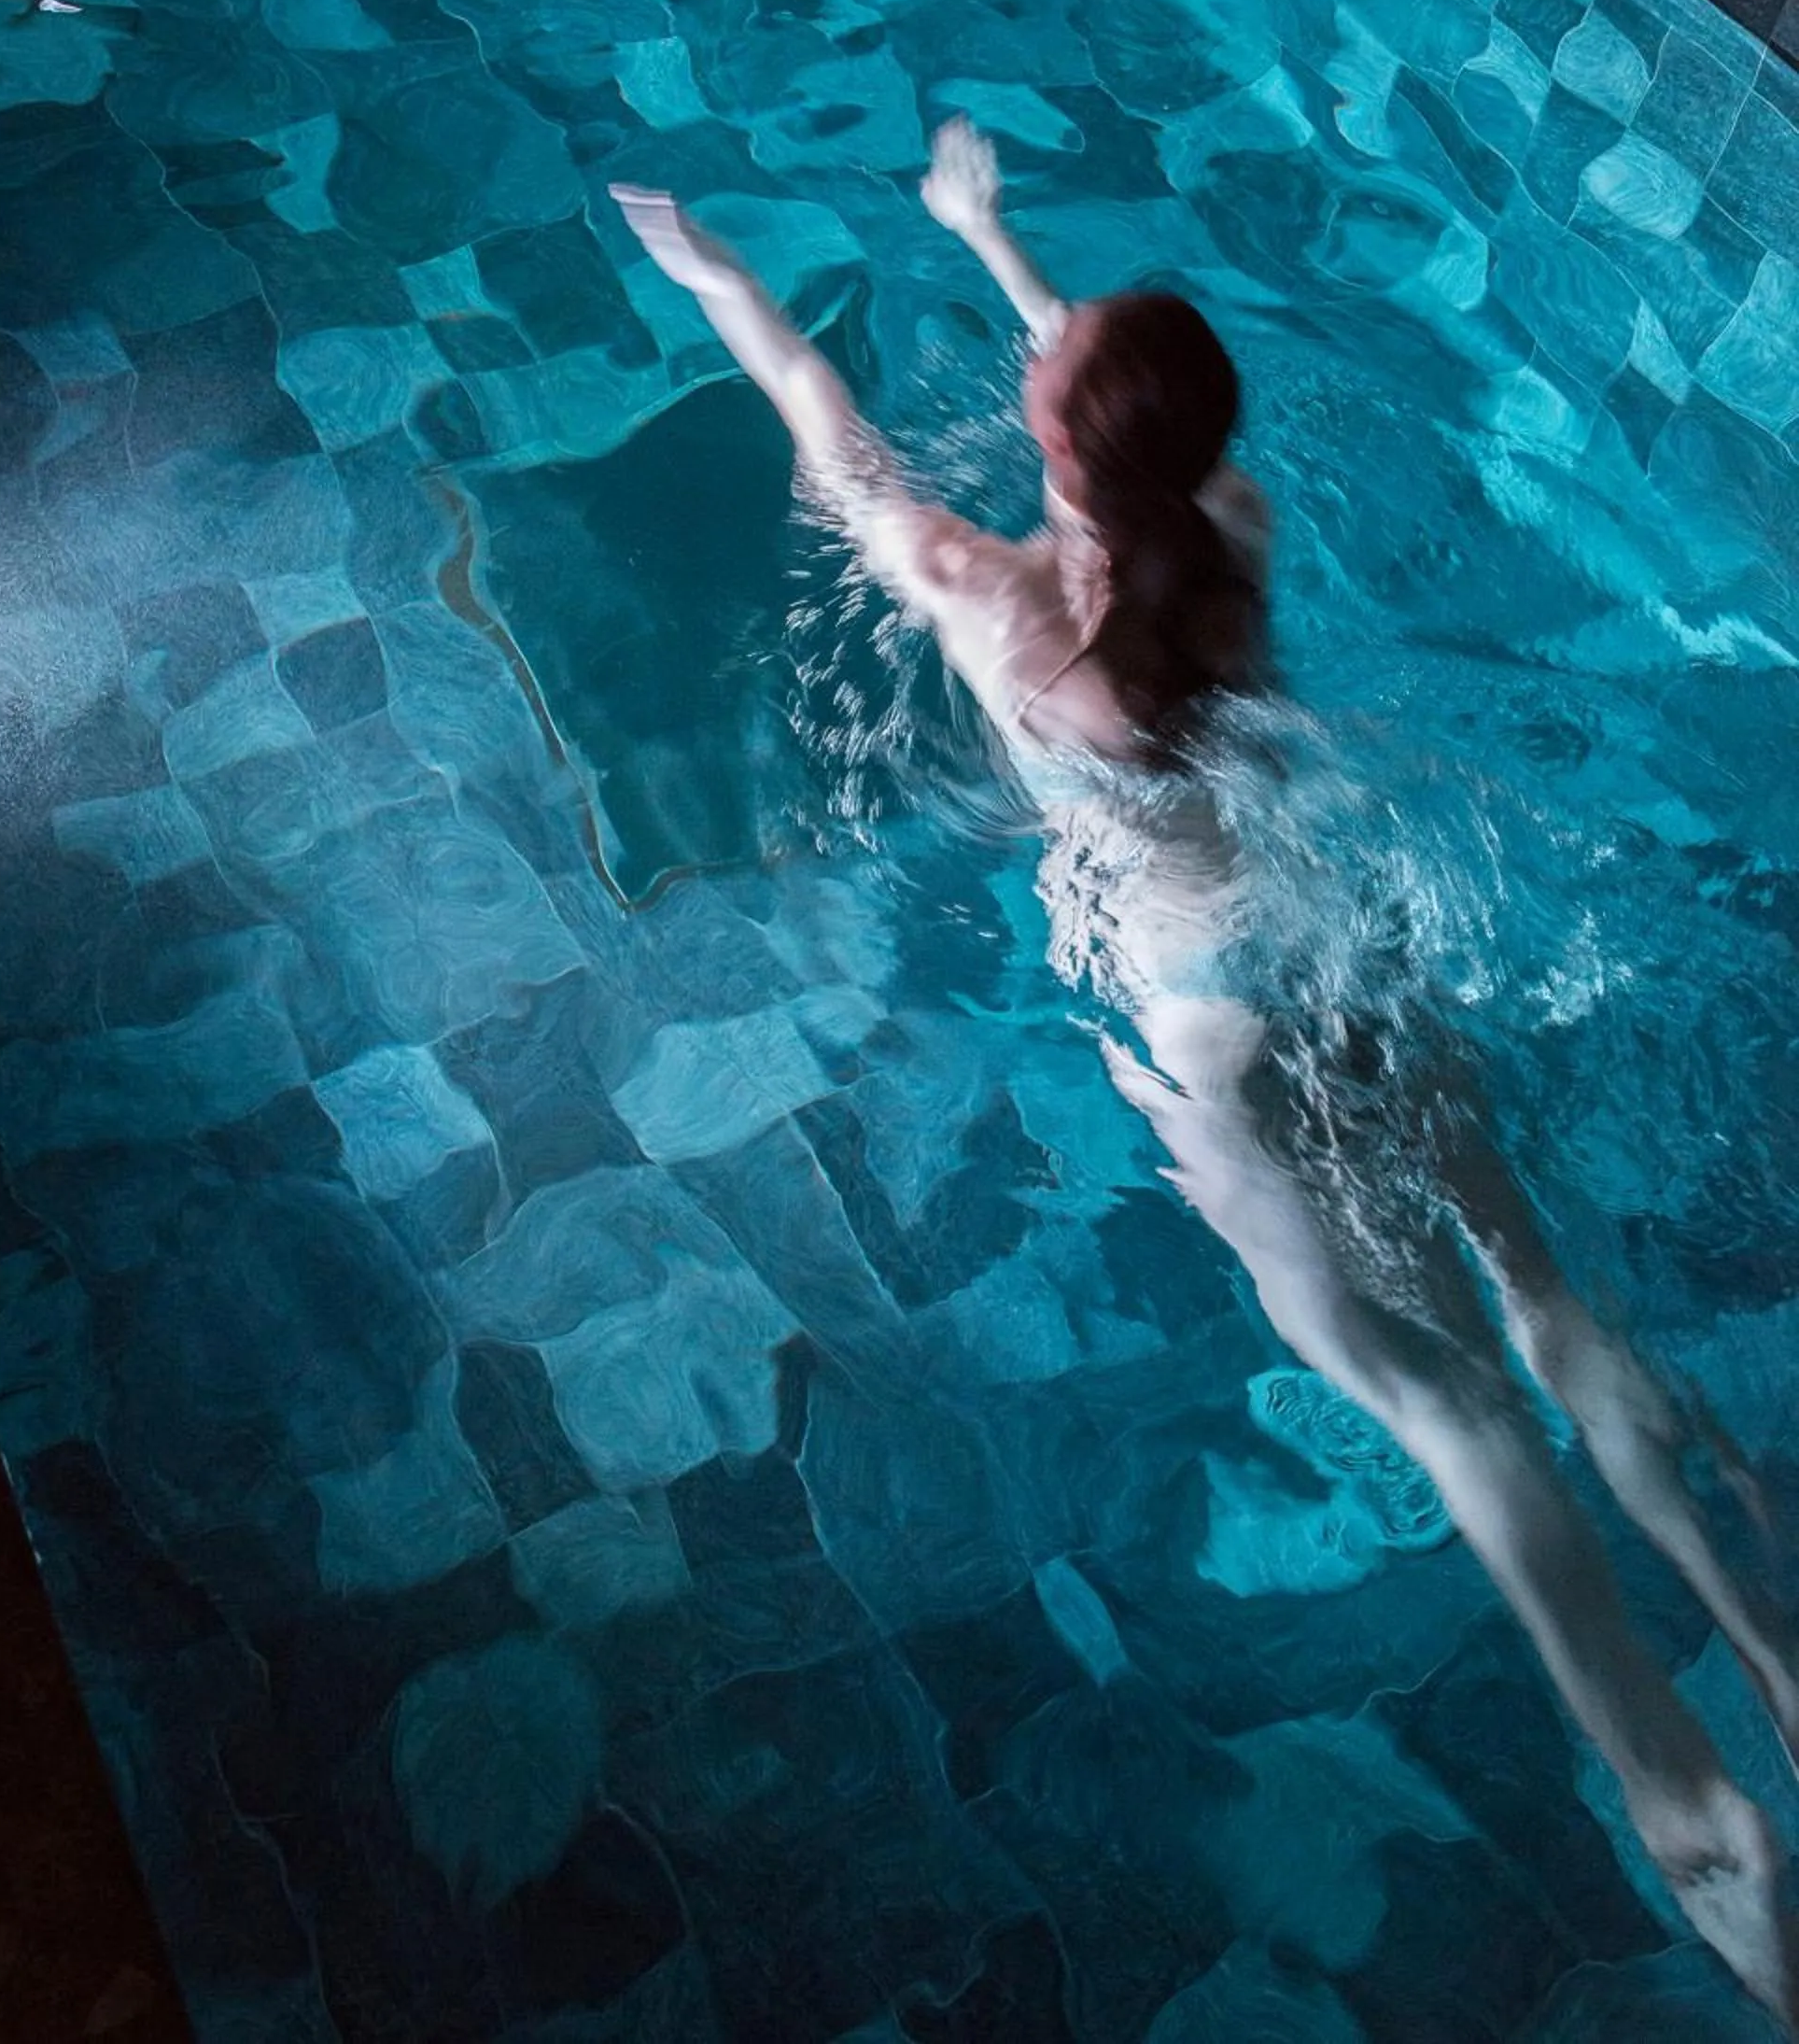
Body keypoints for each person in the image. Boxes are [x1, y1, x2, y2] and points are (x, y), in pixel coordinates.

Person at [611, 117, 1799, 2029]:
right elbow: (1123, 414)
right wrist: (992, 244)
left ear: (1059, 445)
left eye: (1041, 376)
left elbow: (822, 425)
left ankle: (1684, 1806)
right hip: (1350, 930)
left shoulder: (990, 606)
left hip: (1213, 1021)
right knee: (1532, 1278)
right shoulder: (1230, 534)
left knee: (1442, 1407)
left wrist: (726, 284)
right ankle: (1767, 1640)